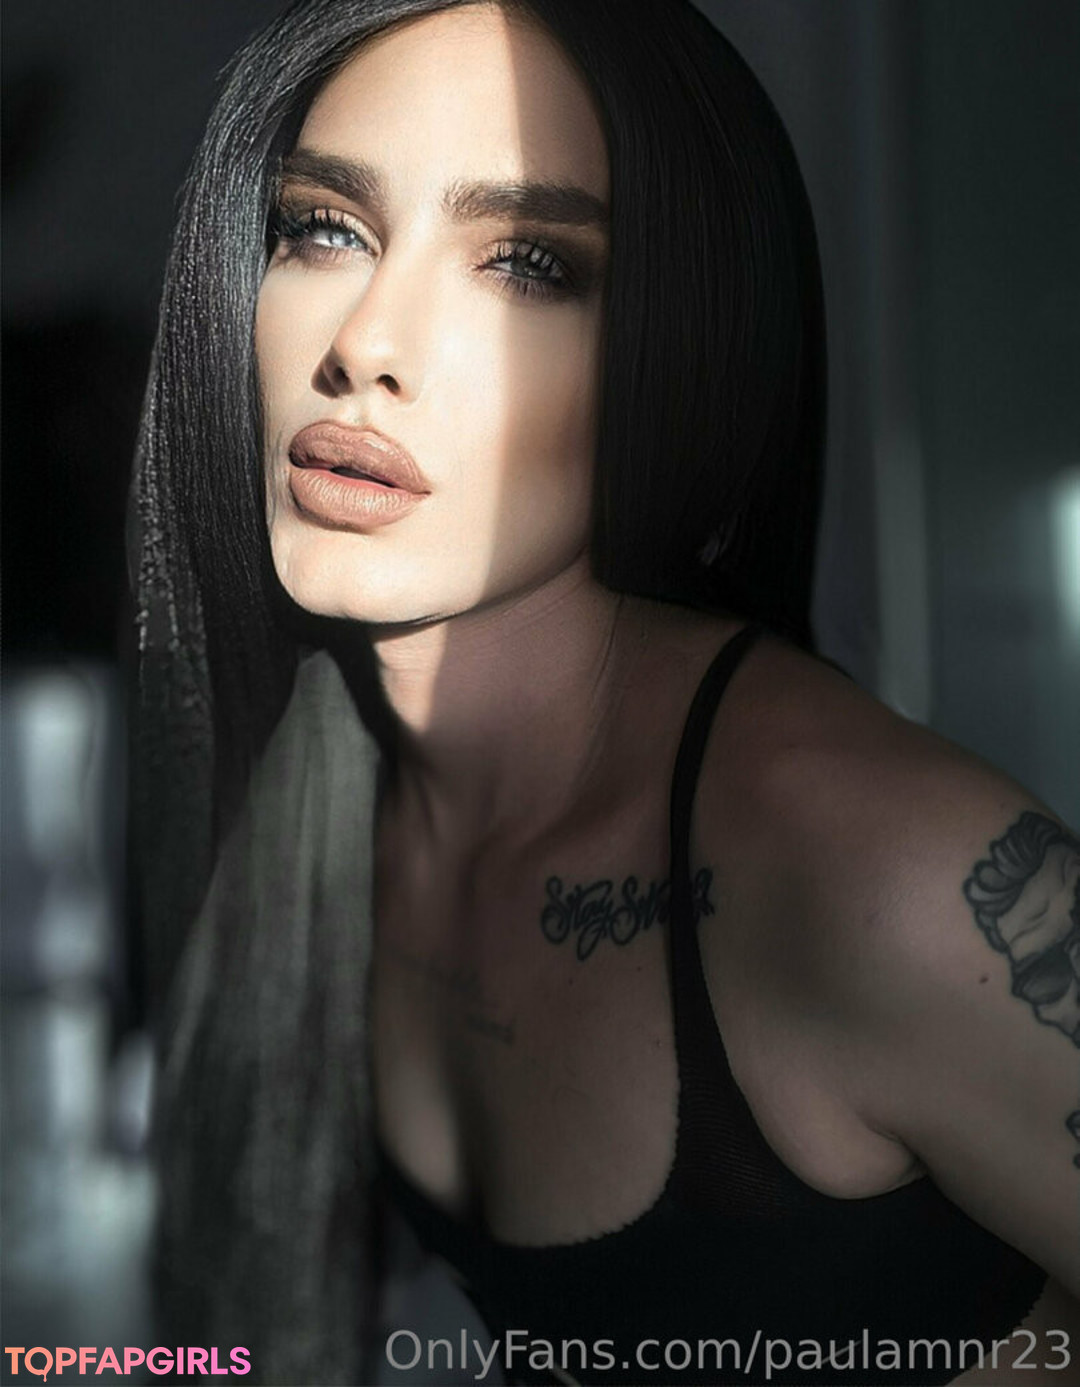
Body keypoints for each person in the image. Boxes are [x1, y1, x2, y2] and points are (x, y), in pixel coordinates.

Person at [130, 0, 1080, 1383]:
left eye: (527, 263)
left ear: (684, 348)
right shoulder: (318, 786)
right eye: (324, 229)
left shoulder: (881, 871)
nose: (367, 344)